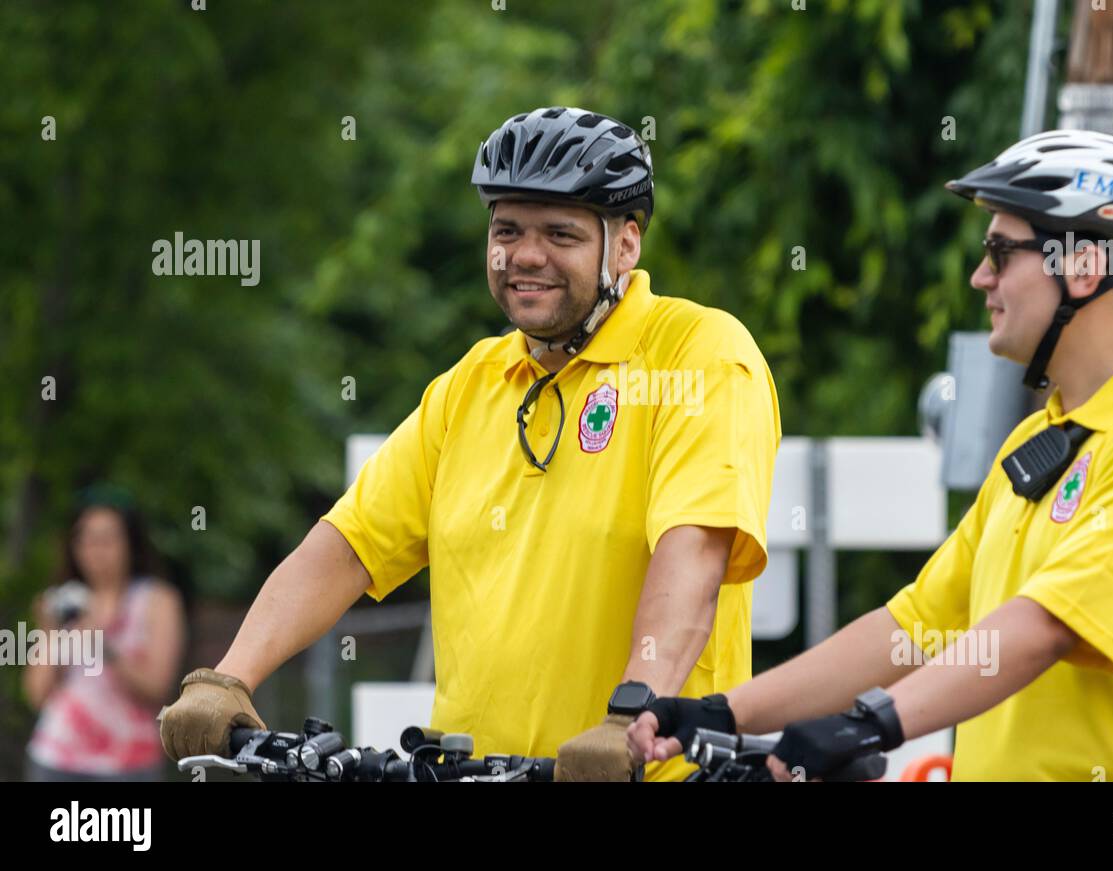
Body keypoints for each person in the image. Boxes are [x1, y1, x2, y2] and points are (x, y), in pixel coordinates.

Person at [159, 106, 781, 781]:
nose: (526, 255)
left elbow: (693, 555)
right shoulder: (470, 384)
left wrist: (630, 719)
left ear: (625, 245)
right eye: (507, 229)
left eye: (561, 233)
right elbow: (346, 546)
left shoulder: (699, 356)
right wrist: (228, 676)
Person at [630, 129, 1113, 781]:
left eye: (1000, 251)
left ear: (1084, 265)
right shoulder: (1041, 440)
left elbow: (1047, 626)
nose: (979, 276)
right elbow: (917, 626)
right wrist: (724, 711)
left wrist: (867, 722)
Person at [24, 484, 186, 781]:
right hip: (57, 758)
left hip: (129, 763)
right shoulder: (61, 602)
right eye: (85, 540)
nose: (95, 551)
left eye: (106, 539)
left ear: (130, 544)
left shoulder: (156, 601)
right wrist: (50, 632)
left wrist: (103, 643)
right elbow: (37, 695)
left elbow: (156, 688)